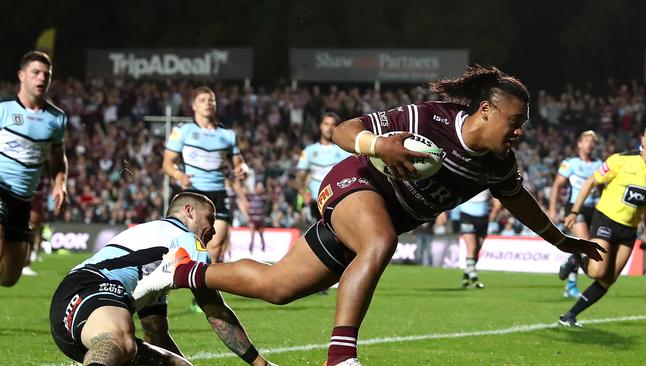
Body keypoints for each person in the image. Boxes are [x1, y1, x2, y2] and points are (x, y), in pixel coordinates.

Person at [137, 66, 605, 366]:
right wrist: (380, 145)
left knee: (276, 288)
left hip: (372, 217)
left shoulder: (499, 164)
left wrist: (563, 241)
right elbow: (346, 130)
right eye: (515, 121)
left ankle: (179, 271)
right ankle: (341, 356)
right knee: (381, 242)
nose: (520, 131)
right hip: (352, 183)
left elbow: (520, 202)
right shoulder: (429, 119)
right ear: (486, 111)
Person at [49, 192, 274, 366]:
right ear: (189, 212)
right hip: (91, 289)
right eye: (210, 219)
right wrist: (259, 362)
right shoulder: (185, 239)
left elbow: (155, 330)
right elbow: (215, 311)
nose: (213, 230)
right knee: (121, 340)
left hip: (77, 313)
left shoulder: (154, 246)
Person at [163, 86, 249, 311]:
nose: (208, 103)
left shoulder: (227, 135)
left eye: (211, 100)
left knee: (216, 246)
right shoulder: (182, 131)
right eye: (202, 100)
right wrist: (178, 174)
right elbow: (167, 162)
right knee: (182, 246)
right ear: (194, 106)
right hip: (192, 194)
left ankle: (202, 296)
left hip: (218, 194)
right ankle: (160, 290)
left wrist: (243, 170)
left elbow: (239, 163)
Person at [558, 126, 646, 327]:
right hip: (606, 220)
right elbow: (592, 181)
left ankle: (570, 316)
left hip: (629, 231)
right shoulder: (621, 160)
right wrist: (574, 211)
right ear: (643, 140)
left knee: (609, 279)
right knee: (596, 272)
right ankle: (576, 258)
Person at [0, 51, 68, 287]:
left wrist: (60, 185)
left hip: (23, 199)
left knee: (9, 277)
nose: (41, 78)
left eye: (46, 75)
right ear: (21, 75)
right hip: (1, 188)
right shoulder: (3, 109)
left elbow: (58, 158)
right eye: (35, 73)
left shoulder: (56, 119)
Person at [549, 130, 602, 298]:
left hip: (593, 209)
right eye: (586, 141)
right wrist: (552, 209)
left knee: (588, 245)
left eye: (592, 142)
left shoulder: (599, 164)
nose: (590, 144)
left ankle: (570, 276)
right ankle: (571, 278)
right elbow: (557, 185)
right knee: (584, 242)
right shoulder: (570, 163)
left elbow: (601, 188)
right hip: (574, 209)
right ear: (579, 144)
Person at [296, 112, 351, 221]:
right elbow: (299, 178)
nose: (329, 128)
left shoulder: (346, 152)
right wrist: (303, 192)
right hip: (315, 205)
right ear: (321, 126)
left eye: (333, 124)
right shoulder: (308, 151)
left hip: (338, 203)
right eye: (326, 124)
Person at [459, 189, 501, 289]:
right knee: (472, 248)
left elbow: (497, 201)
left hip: (483, 217)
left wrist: (494, 212)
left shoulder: (488, 179)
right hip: (467, 214)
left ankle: (466, 275)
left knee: (477, 249)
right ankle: (474, 279)